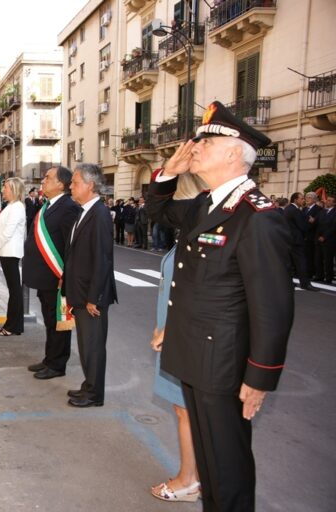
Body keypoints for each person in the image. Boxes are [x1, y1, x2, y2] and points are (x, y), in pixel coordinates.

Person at [147, 101, 294, 511]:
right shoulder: (207, 204)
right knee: (211, 467)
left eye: (206, 141)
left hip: (224, 362)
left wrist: (260, 377)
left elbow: (273, 306)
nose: (196, 146)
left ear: (234, 153)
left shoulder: (257, 216)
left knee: (227, 468)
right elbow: (157, 213)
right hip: (195, 353)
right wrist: (169, 173)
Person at [148, 173, 205, 503]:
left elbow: (197, 291)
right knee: (187, 411)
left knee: (187, 412)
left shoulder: (200, 237)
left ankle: (187, 480)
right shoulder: (191, 233)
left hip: (183, 337)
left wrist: (169, 328)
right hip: (175, 334)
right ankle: (195, 475)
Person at [64, 164, 117, 407]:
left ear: (90, 185)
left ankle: (95, 394)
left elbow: (102, 259)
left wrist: (94, 297)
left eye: (75, 182)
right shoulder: (84, 211)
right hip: (80, 291)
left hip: (91, 296)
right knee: (86, 345)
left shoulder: (100, 214)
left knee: (93, 347)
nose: (71, 186)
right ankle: (88, 385)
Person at [23, 166, 80, 379]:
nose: (43, 180)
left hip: (56, 278)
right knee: (49, 321)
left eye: (48, 177)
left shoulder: (67, 207)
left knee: (59, 322)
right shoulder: (47, 205)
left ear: (60, 184)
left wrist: (66, 276)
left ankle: (57, 365)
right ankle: (49, 359)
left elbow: (71, 246)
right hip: (44, 278)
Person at [0, 178, 26, 336]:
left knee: (14, 290)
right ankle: (14, 325)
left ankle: (12, 326)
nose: (3, 190)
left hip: (10, 251)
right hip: (6, 251)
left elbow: (8, 232)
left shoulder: (17, 207)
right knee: (14, 290)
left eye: (5, 187)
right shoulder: (11, 206)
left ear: (13, 189)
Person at [284, 192, 315, 290]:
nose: (303, 200)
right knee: (301, 262)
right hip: (296, 241)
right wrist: (311, 223)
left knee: (289, 263)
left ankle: (288, 282)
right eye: (301, 198)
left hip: (288, 239)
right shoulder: (295, 210)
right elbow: (302, 226)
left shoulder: (288, 209)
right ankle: (305, 284)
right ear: (295, 200)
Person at [314, 194, 336, 284]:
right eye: (327, 200)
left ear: (334, 203)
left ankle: (328, 278)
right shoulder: (322, 211)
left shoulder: (335, 212)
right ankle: (319, 276)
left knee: (328, 260)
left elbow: (334, 227)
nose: (328, 201)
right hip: (319, 239)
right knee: (318, 259)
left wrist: (324, 236)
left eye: (330, 200)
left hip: (329, 240)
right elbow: (318, 224)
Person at [302, 191, 322, 280]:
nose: (307, 199)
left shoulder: (318, 209)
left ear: (314, 199)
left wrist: (314, 221)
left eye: (309, 197)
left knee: (311, 255)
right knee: (305, 255)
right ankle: (305, 271)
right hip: (304, 235)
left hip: (312, 236)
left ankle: (310, 273)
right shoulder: (304, 209)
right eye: (306, 197)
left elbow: (319, 222)